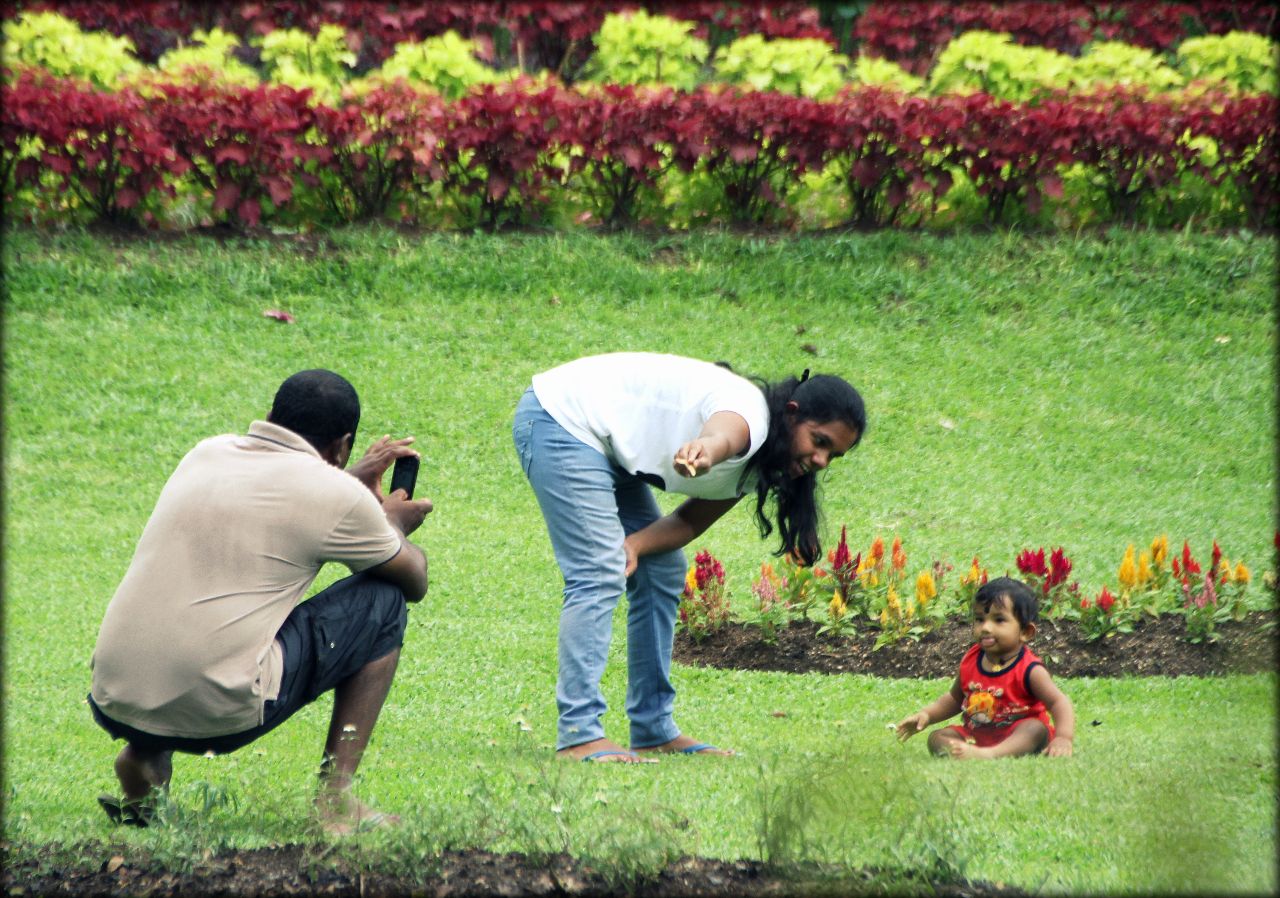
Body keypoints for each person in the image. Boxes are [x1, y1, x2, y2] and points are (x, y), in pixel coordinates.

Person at [88, 369, 432, 835]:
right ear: (343, 444)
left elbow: (282, 497)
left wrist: (349, 484)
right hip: (219, 711)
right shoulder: (338, 498)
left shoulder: (207, 453)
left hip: (113, 696)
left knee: (199, 614)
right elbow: (413, 580)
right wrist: (389, 522)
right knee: (384, 602)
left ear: (271, 417)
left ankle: (144, 758)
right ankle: (335, 800)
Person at [512, 351, 866, 763]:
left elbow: (687, 523)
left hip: (607, 443)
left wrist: (636, 546)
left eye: (833, 455)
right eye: (819, 442)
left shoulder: (766, 466)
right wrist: (706, 449)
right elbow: (724, 434)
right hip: (560, 418)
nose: (821, 460)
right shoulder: (750, 416)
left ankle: (653, 728)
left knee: (662, 568)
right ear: (792, 414)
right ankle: (579, 734)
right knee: (597, 571)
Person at [895, 576, 1075, 759]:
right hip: (977, 735)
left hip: (1018, 735)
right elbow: (955, 699)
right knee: (937, 738)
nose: (986, 627)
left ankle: (990, 754)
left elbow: (1058, 702)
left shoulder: (1030, 670)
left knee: (1034, 728)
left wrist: (1063, 737)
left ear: (1025, 632)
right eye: (980, 619)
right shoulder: (971, 660)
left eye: (999, 620)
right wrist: (926, 715)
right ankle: (969, 752)